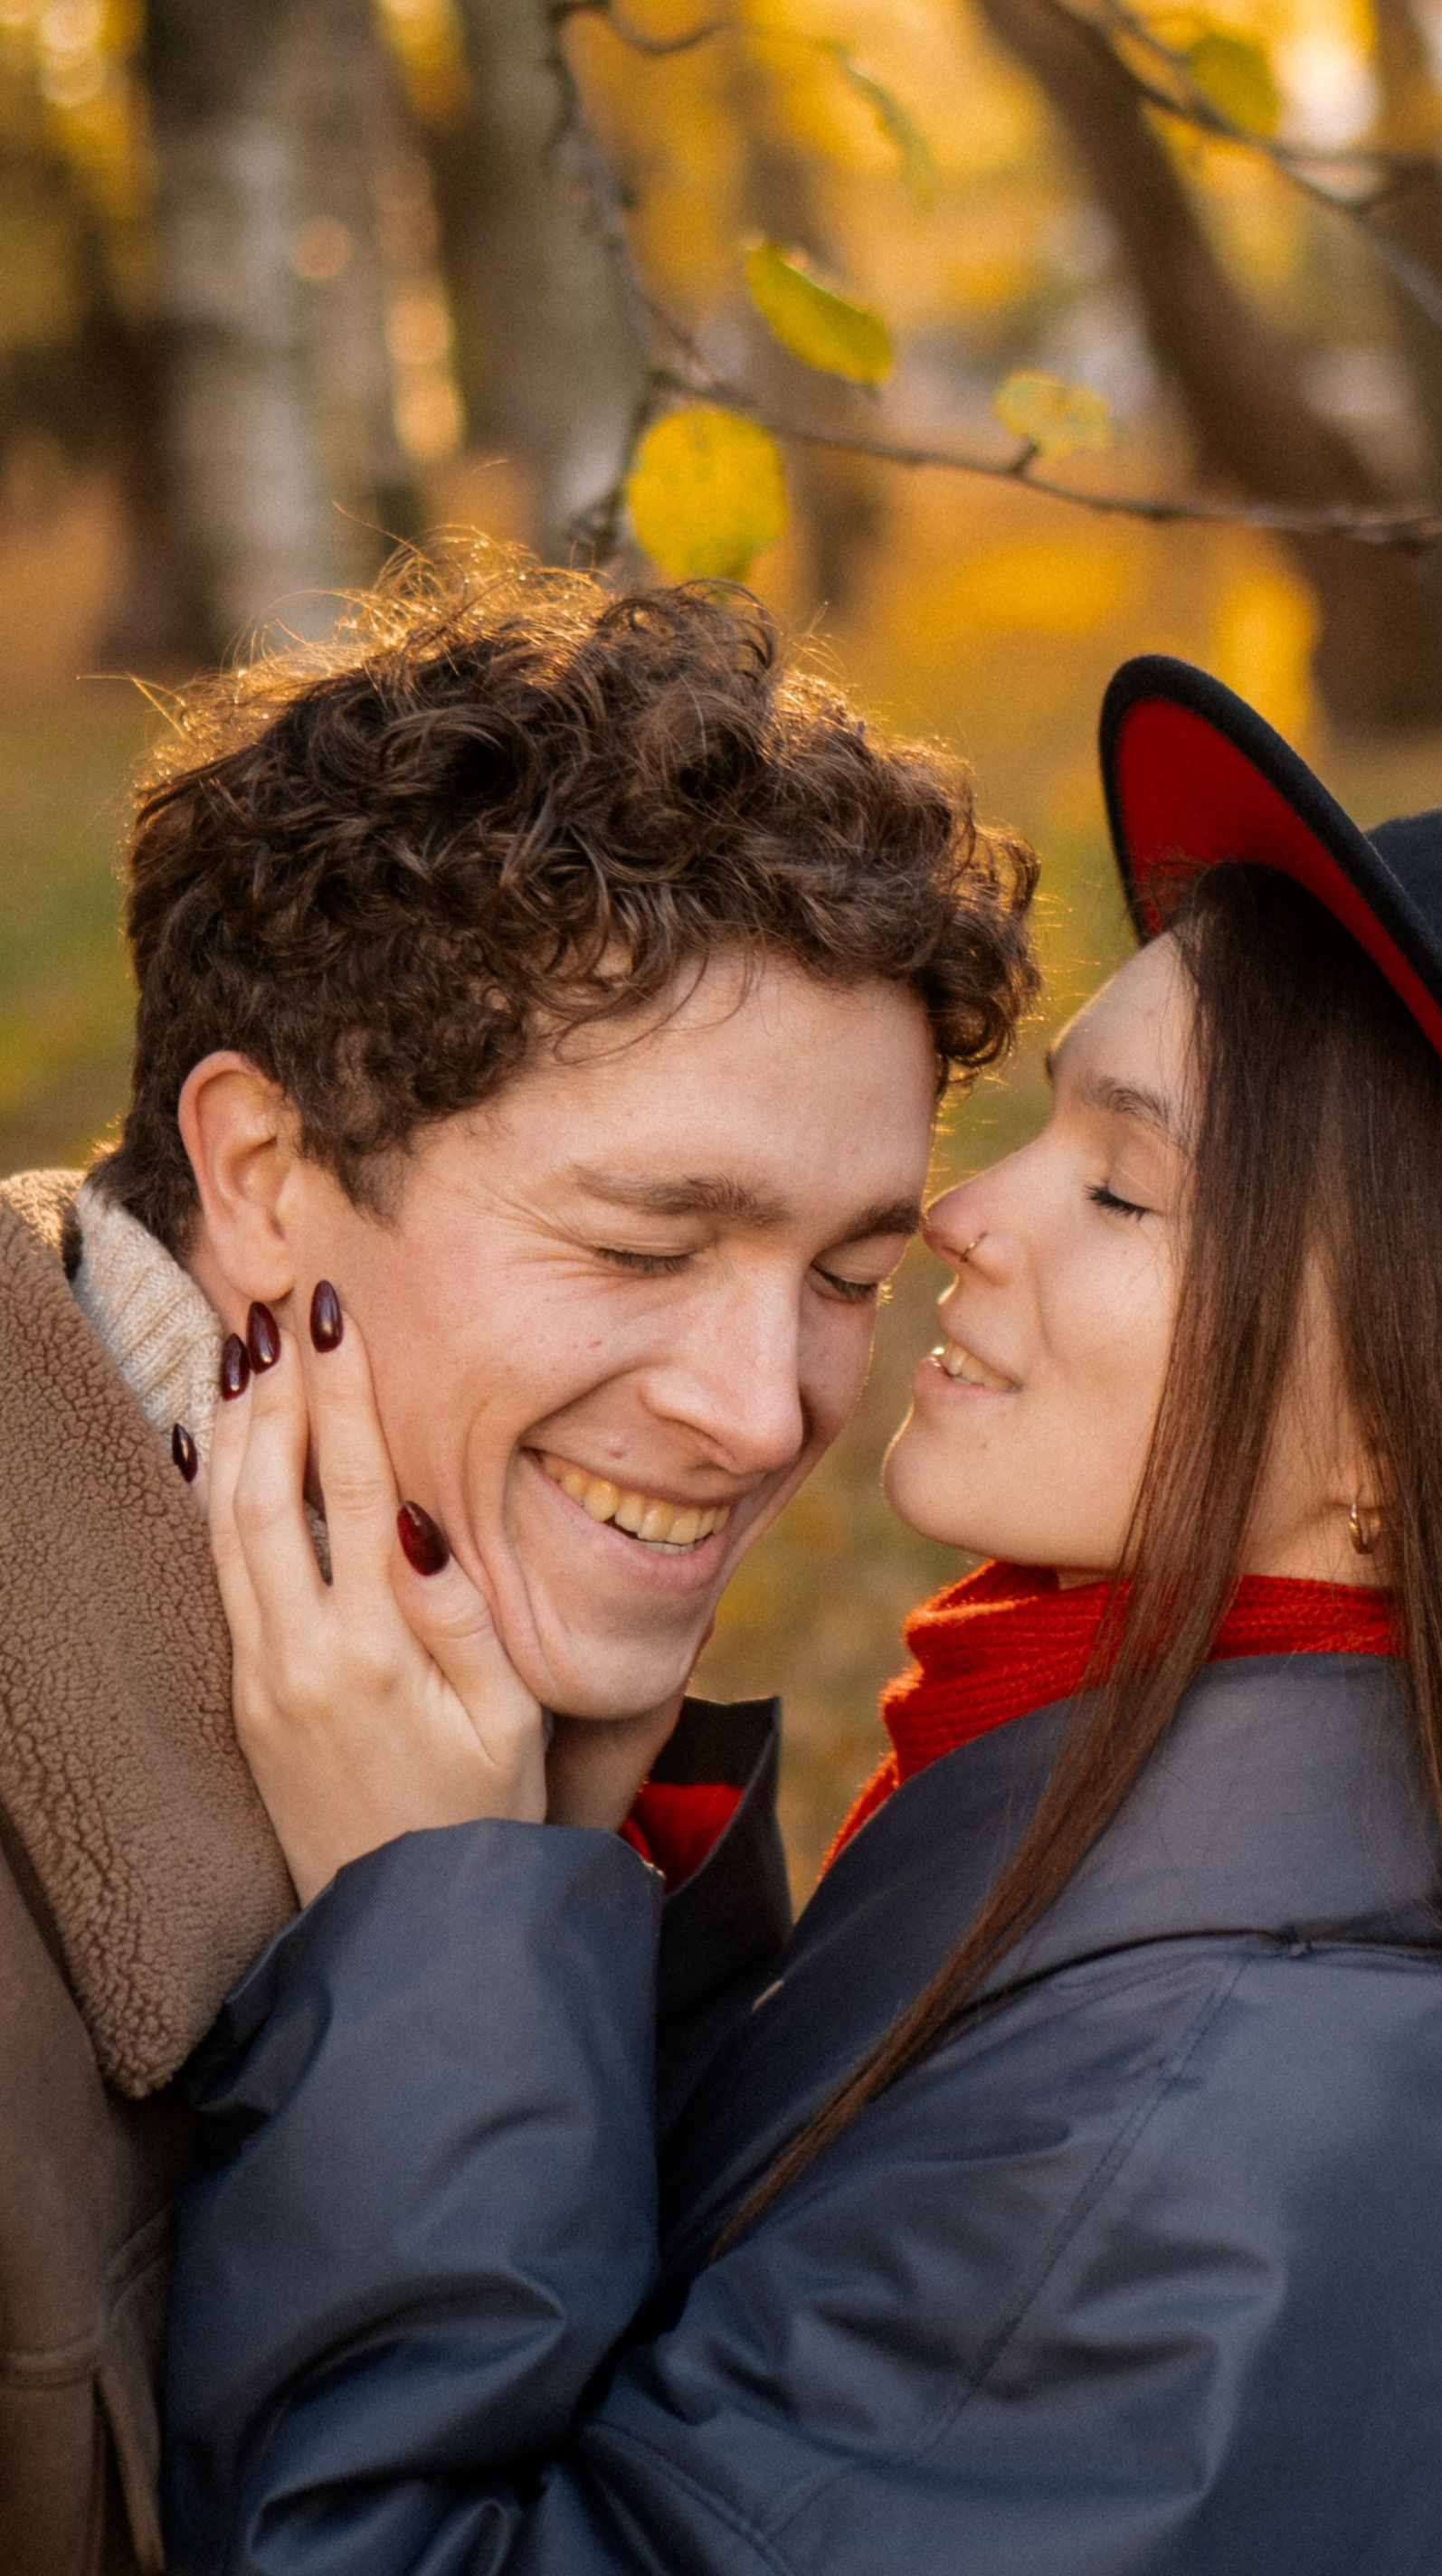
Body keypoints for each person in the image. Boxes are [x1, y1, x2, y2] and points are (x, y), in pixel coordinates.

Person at [164, 653, 1442, 2576]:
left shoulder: (1189, 2132)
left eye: (1126, 1191)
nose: (962, 1217)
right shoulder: (1183, 1864)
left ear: (1406, 1449)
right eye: (1048, 1126)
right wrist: (577, 1859)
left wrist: (427, 1931)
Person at [0, 550, 1035, 2576]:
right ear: (264, 1173)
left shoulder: (525, 1720)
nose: (766, 1411)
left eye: (848, 1275)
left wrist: (552, 1888)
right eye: (643, 1247)